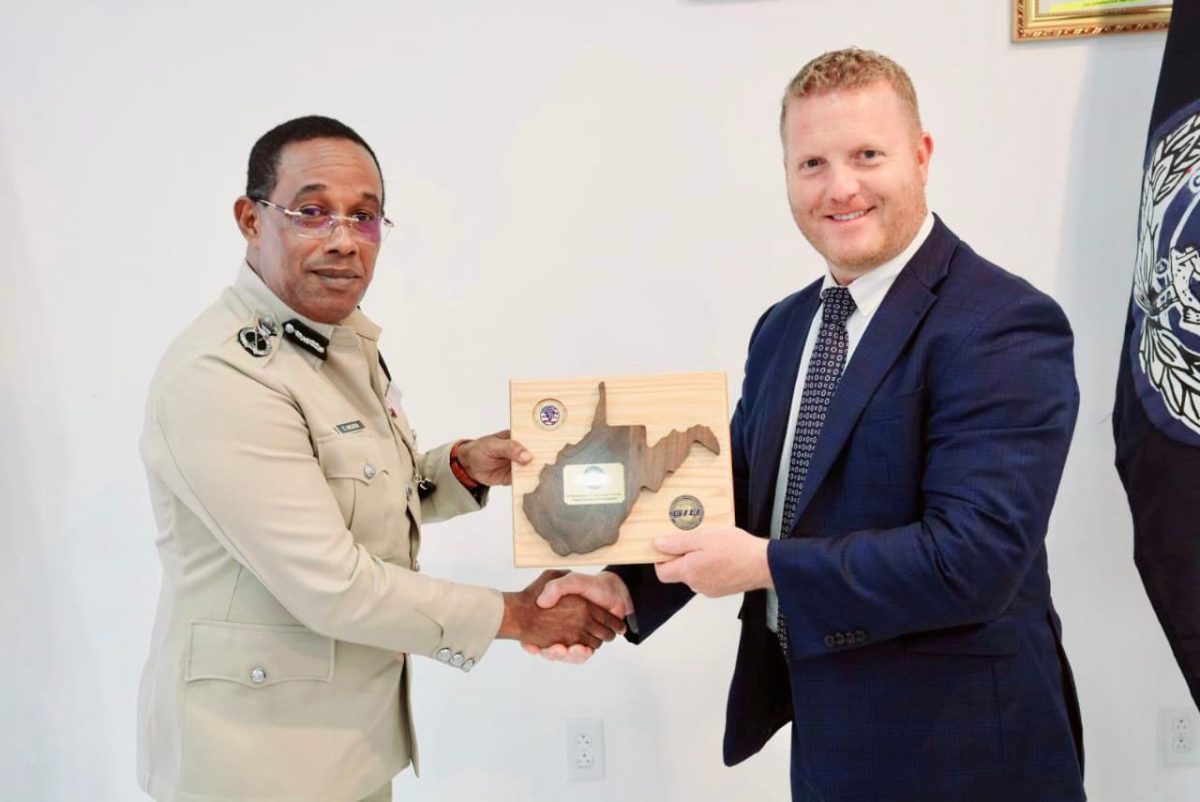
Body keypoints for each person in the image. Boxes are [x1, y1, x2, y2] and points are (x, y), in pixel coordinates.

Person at [534, 49, 1086, 801]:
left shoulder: (1002, 324)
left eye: (867, 155)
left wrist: (765, 566)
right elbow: (729, 485)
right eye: (812, 163)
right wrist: (622, 586)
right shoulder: (786, 327)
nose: (840, 187)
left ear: (921, 157)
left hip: (965, 748)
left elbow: (974, 560)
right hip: (829, 734)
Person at [136, 115, 623, 802]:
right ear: (250, 218)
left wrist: (456, 469)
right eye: (313, 211)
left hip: (346, 746)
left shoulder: (335, 342)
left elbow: (351, 494)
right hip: (254, 765)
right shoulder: (222, 376)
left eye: (364, 217)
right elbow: (330, 583)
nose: (342, 240)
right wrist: (520, 615)